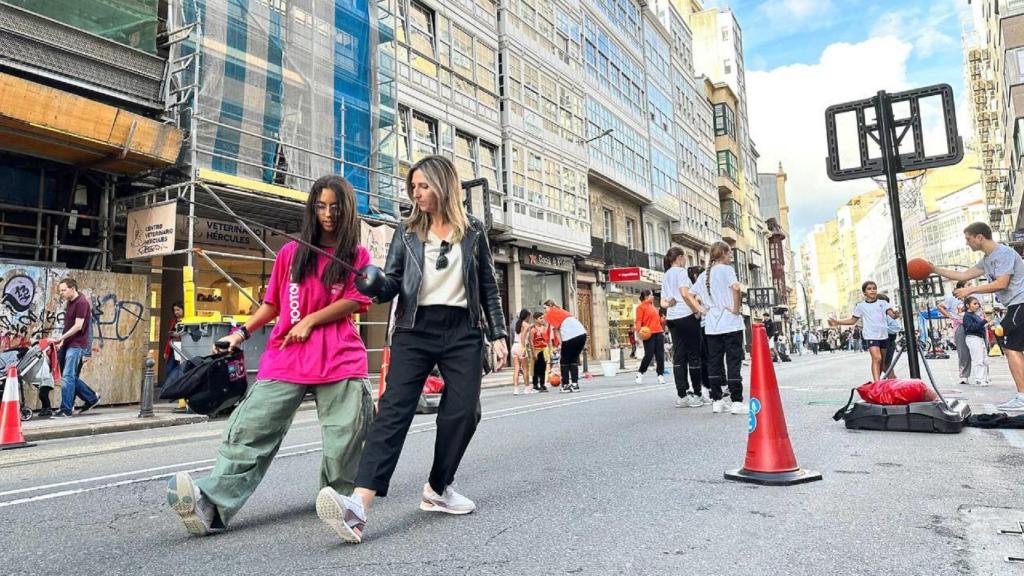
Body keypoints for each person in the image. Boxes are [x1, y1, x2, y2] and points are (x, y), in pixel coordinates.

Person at [166, 175, 375, 537]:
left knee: (346, 436)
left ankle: (340, 503)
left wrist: (311, 319)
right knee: (251, 427)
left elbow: (357, 299)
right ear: (312, 208)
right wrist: (241, 332)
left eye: (336, 206)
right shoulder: (290, 254)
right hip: (287, 354)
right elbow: (272, 305)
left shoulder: (357, 256)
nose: (328, 214)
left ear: (348, 210)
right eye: (321, 206)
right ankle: (211, 505)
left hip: (339, 355)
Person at [318, 155, 508, 543]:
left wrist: (499, 334)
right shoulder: (406, 232)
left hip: (462, 330)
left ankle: (438, 488)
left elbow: (487, 285)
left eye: (423, 186)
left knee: (463, 412)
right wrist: (373, 285)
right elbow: (391, 283)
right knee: (392, 413)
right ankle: (357, 506)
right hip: (414, 328)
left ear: (443, 184)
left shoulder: (473, 231)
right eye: (413, 187)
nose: (416, 194)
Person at [929, 222, 1024, 411]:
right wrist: (933, 269)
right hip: (1016, 304)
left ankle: (1022, 397)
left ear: (980, 237)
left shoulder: (1003, 254)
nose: (967, 243)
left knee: (1011, 348)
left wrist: (970, 290)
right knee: (1014, 348)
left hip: (1020, 302)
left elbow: (1002, 283)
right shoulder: (987, 259)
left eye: (968, 239)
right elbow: (963, 274)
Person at [691, 241, 747, 415]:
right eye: (729, 252)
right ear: (722, 253)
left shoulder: (703, 276)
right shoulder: (726, 270)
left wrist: (701, 309)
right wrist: (736, 309)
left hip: (712, 326)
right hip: (730, 323)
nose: (731, 256)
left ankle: (717, 400)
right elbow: (736, 288)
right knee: (733, 362)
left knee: (714, 363)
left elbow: (689, 294)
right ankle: (736, 401)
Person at [830, 281, 900, 382]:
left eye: (874, 288)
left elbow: (893, 316)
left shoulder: (883, 303)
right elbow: (852, 320)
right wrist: (837, 322)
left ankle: (879, 381)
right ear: (864, 293)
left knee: (882, 361)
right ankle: (877, 383)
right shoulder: (861, 306)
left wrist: (897, 314)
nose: (872, 290)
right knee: (877, 358)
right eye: (869, 289)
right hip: (871, 335)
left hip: (883, 336)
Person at [51, 278, 101, 418]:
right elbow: (68, 325)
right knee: (69, 377)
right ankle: (91, 398)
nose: (61, 293)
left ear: (72, 288)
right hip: (67, 343)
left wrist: (61, 338)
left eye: (63, 290)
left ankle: (66, 409)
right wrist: (63, 341)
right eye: (60, 290)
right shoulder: (70, 302)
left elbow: (79, 326)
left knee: (67, 377)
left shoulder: (82, 302)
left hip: (76, 345)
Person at [661, 247, 703, 407]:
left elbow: (665, 301)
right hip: (686, 316)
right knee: (694, 355)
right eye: (685, 257)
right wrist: (697, 310)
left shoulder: (666, 275)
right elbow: (685, 294)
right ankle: (697, 394)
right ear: (679, 258)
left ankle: (682, 395)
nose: (685, 261)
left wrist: (670, 304)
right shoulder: (681, 272)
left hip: (672, 318)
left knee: (679, 356)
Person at [543, 300, 588, 393]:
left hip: (570, 336)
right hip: (582, 334)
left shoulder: (551, 313)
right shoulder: (562, 311)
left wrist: (560, 344)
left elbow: (556, 331)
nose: (544, 311)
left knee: (564, 361)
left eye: (545, 308)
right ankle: (575, 384)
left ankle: (565, 385)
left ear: (550, 306)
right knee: (573, 359)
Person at [937, 282, 969, 385]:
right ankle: (964, 375)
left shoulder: (973, 296)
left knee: (980, 350)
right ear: (960, 288)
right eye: (968, 284)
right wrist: (950, 316)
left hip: (975, 324)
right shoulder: (952, 299)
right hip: (960, 325)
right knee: (963, 352)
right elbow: (940, 306)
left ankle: (982, 375)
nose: (971, 286)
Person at [633, 289, 665, 385]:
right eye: (652, 295)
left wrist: (662, 320)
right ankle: (640, 373)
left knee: (660, 355)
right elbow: (638, 321)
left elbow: (658, 320)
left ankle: (660, 375)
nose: (653, 297)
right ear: (647, 296)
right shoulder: (640, 307)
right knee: (649, 355)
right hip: (648, 334)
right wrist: (639, 331)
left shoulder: (653, 307)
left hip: (659, 332)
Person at [961, 296, 991, 387]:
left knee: (984, 358)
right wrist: (984, 321)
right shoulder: (967, 316)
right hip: (973, 338)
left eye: (977, 304)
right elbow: (971, 327)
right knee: (978, 359)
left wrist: (985, 322)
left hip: (979, 338)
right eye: (974, 304)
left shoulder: (975, 315)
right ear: (967, 305)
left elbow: (978, 326)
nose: (977, 306)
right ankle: (979, 379)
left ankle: (984, 378)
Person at [876, 294, 901, 378]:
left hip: (888, 342)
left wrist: (881, 329)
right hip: (882, 342)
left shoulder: (887, 315)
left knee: (885, 365)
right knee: (883, 365)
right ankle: (892, 383)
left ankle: (894, 383)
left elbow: (896, 327)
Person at [510, 309, 532, 395]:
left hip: (514, 346)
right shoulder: (526, 325)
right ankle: (527, 388)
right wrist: (524, 348)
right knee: (525, 368)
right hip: (520, 346)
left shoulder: (517, 324)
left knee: (516, 369)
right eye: (529, 316)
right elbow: (523, 336)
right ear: (527, 316)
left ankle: (516, 389)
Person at [163, 301, 185, 384]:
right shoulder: (173, 321)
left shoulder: (188, 320)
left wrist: (179, 335)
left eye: (178, 310)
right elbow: (169, 338)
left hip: (183, 348)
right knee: (169, 369)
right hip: (173, 347)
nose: (176, 312)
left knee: (181, 368)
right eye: (175, 310)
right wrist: (166, 351)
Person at [530, 312, 550, 392]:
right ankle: (535, 384)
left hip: (544, 349)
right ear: (535, 319)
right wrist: (533, 352)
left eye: (543, 318)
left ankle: (542, 384)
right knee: (536, 368)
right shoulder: (533, 329)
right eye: (540, 318)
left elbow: (547, 340)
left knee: (543, 368)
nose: (542, 320)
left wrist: (550, 350)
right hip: (537, 350)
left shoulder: (544, 328)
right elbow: (531, 341)